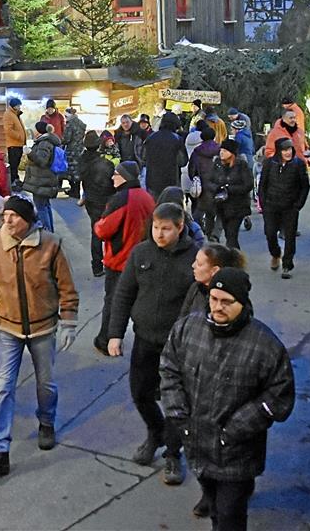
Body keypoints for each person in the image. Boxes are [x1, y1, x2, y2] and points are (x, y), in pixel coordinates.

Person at [160, 268, 295, 531]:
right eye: (213, 299)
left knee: (230, 515)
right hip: (197, 445)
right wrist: (178, 414)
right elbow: (169, 367)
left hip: (237, 454)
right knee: (213, 504)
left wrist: (235, 428)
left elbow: (280, 397)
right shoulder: (188, 328)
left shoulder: (265, 345)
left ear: (242, 303)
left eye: (226, 302)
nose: (217, 307)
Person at [0, 196, 79, 476]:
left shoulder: (51, 245)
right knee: (4, 386)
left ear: (28, 220)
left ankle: (47, 422)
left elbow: (66, 287)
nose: (8, 219)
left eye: (15, 216)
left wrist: (69, 322)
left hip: (43, 327)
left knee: (46, 383)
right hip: (6, 328)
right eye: (6, 215)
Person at [107, 203, 196, 480]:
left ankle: (172, 454)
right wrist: (115, 334)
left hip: (177, 345)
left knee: (174, 402)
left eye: (166, 229)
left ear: (180, 227)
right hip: (144, 338)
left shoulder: (195, 257)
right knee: (140, 393)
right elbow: (123, 295)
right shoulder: (141, 253)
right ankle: (155, 433)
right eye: (156, 227)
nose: (159, 234)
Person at [93, 161, 155, 354]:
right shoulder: (147, 197)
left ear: (125, 177)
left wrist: (97, 225)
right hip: (143, 259)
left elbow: (103, 230)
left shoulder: (121, 198)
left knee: (113, 302)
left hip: (120, 260)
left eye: (116, 174)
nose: (113, 177)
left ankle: (106, 339)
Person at [258, 137, 310, 277]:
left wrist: (298, 205)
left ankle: (287, 265)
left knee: (290, 236)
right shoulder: (269, 163)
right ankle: (275, 254)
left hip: (290, 206)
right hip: (271, 205)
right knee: (270, 233)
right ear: (278, 151)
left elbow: (304, 186)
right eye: (284, 150)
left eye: (289, 149)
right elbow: (262, 184)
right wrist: (263, 202)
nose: (287, 153)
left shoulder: (298, 164)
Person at [78, 130, 116, 278]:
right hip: (106, 200)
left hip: (90, 200)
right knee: (111, 233)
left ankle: (97, 266)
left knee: (96, 231)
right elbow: (112, 183)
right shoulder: (105, 163)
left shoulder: (82, 161)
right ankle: (111, 262)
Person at [207, 139, 254, 250]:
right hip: (222, 206)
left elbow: (248, 184)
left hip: (238, 206)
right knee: (229, 235)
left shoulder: (241, 165)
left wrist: (229, 189)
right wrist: (217, 188)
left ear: (232, 153)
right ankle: (236, 258)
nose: (221, 153)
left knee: (232, 236)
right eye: (221, 150)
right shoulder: (217, 163)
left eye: (225, 150)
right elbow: (209, 181)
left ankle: (234, 262)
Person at [23, 120, 62, 232]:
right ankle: (50, 231)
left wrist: (29, 153)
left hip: (42, 181)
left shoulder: (44, 143)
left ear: (39, 131)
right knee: (45, 206)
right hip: (45, 179)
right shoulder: (47, 141)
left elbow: (42, 161)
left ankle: (47, 232)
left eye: (35, 129)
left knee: (41, 207)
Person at [142, 112, 188, 198]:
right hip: (171, 181)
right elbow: (183, 161)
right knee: (170, 209)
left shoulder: (151, 137)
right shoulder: (177, 139)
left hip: (152, 181)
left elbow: (143, 157)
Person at [188, 127, 221, 238]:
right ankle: (213, 234)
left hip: (203, 184)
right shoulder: (220, 150)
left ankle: (201, 232)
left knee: (202, 210)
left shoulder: (197, 151)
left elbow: (191, 169)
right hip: (218, 183)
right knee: (216, 210)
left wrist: (194, 178)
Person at [62, 107, 87, 198]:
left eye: (66, 116)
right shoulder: (81, 124)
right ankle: (76, 190)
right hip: (80, 149)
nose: (65, 118)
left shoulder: (70, 124)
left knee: (71, 170)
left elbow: (66, 139)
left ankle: (74, 191)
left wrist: (61, 141)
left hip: (71, 150)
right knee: (78, 170)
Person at [3, 97, 27, 187]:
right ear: (14, 106)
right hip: (13, 144)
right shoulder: (8, 114)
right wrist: (19, 137)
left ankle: (16, 179)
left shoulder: (16, 114)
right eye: (18, 105)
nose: (20, 107)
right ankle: (12, 182)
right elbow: (8, 130)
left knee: (16, 163)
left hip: (18, 144)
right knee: (13, 164)